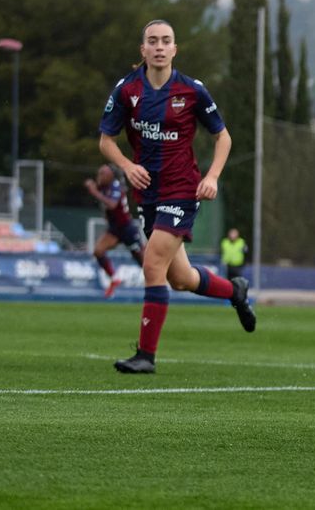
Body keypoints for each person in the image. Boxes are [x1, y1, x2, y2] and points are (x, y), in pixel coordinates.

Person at [98, 19, 257, 374]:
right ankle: (236, 292)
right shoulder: (127, 91)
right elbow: (106, 140)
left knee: (152, 264)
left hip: (182, 188)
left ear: (174, 49)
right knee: (179, 278)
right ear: (143, 50)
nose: (158, 46)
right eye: (152, 41)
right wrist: (126, 164)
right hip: (148, 193)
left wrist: (212, 176)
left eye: (165, 41)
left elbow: (223, 137)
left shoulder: (192, 91)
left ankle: (146, 356)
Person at [84, 164, 144, 298]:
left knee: (141, 260)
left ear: (111, 176)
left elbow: (112, 204)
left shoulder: (115, 186)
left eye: (103, 174)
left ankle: (158, 282)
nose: (100, 176)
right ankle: (114, 278)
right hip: (115, 229)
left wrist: (95, 192)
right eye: (99, 173)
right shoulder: (103, 187)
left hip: (127, 228)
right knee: (98, 251)